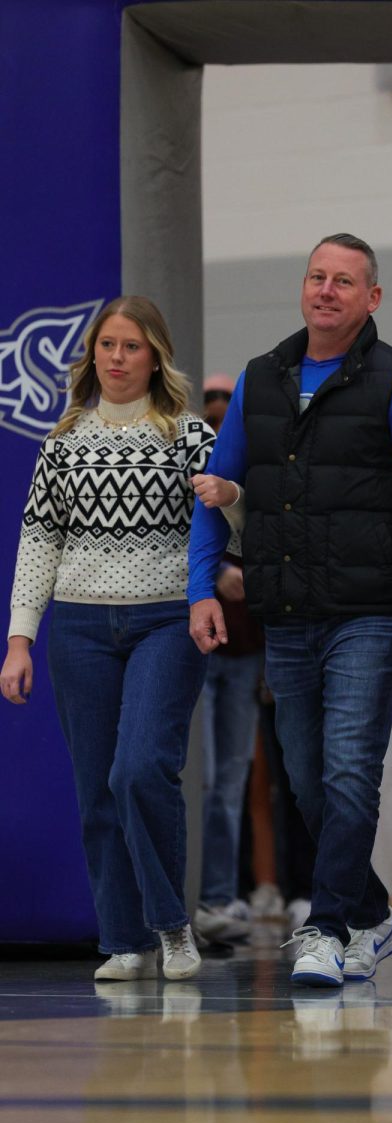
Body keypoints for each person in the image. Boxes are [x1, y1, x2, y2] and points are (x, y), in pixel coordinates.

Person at [187, 232, 392, 988]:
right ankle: (374, 915)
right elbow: (215, 489)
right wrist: (201, 588)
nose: (326, 291)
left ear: (371, 298)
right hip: (287, 612)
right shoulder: (260, 378)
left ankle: (328, 924)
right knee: (307, 782)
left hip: (371, 613)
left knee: (349, 772)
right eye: (316, 276)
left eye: (344, 281)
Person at [0, 296, 217, 982]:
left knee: (140, 770)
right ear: (92, 354)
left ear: (156, 357)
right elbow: (39, 542)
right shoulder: (62, 445)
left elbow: (229, 532)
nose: (117, 358)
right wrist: (19, 640)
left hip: (166, 622)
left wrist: (232, 498)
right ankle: (123, 939)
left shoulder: (188, 436)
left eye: (131, 346)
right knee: (97, 788)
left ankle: (172, 928)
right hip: (81, 627)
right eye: (107, 345)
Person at [193, 375, 265, 944]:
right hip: (196, 645)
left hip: (244, 651)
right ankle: (196, 893)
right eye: (212, 404)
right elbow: (180, 539)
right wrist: (216, 573)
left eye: (227, 404)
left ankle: (218, 895)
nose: (220, 413)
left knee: (232, 779)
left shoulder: (259, 465)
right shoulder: (196, 466)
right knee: (201, 776)